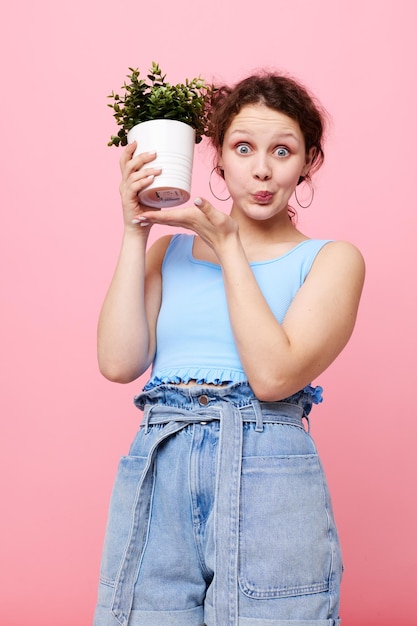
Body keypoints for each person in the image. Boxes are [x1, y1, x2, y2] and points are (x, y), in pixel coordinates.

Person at [93, 71, 365, 626]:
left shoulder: (333, 260)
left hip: (267, 465)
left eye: (282, 151)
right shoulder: (167, 254)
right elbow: (118, 363)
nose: (262, 169)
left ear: (308, 161)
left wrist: (229, 247)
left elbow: (273, 376)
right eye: (244, 148)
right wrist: (132, 232)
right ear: (217, 158)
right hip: (161, 457)